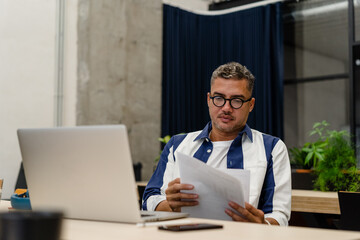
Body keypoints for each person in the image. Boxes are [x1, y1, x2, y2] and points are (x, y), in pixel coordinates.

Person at [142, 62, 291, 226]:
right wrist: (171, 205)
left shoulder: (272, 148)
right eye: (219, 98)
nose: (226, 108)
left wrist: (261, 225)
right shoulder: (178, 144)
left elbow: (280, 217)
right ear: (208, 99)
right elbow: (149, 199)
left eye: (237, 100)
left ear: (251, 105)